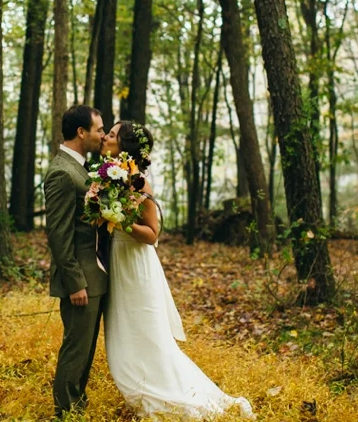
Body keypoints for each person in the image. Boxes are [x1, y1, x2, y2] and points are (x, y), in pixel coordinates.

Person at [102, 120, 254, 420]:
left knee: (146, 335)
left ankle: (169, 395)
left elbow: (152, 233)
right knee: (123, 333)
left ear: (125, 146)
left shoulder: (138, 183)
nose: (105, 136)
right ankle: (141, 387)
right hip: (118, 260)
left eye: (112, 134)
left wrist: (117, 220)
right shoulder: (109, 177)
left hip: (136, 264)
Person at [43, 105, 107, 419]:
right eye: (99, 129)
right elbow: (57, 233)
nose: (103, 135)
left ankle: (77, 408)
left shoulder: (79, 168)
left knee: (86, 351)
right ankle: (66, 412)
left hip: (93, 276)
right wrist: (75, 282)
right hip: (80, 279)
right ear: (81, 132)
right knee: (75, 350)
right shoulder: (61, 172)